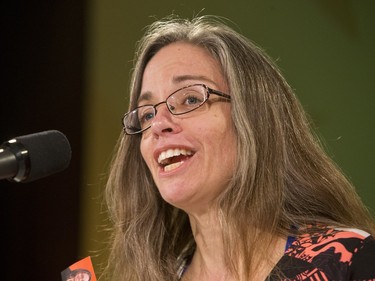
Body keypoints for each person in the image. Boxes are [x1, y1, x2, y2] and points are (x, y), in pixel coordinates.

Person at [103, 14, 375, 280]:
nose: (159, 124)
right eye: (146, 114)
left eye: (190, 99)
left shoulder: (347, 259)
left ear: (254, 119)